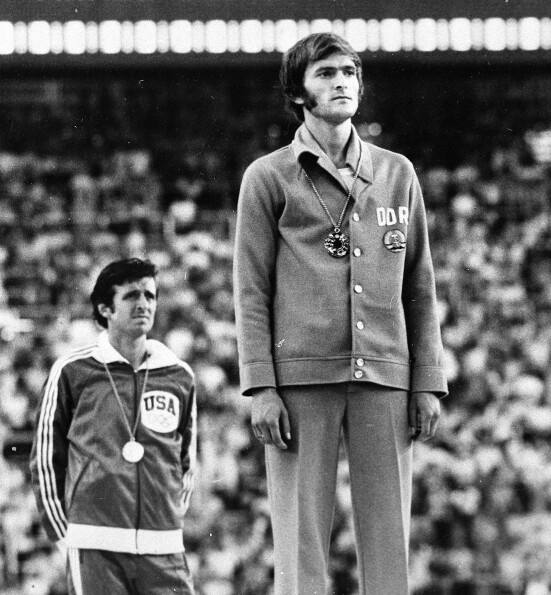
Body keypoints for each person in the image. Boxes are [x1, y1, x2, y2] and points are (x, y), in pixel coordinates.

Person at [233, 32, 447, 594]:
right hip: (300, 379)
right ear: (298, 92)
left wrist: (427, 380)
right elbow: (250, 289)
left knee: (389, 545)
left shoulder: (397, 173)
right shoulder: (268, 176)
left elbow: (420, 286)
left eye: (350, 72)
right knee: (301, 547)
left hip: (385, 375)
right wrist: (260, 387)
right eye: (326, 73)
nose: (342, 82)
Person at [29, 258, 198, 594]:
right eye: (132, 296)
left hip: (163, 546)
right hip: (95, 544)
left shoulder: (179, 375)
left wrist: (167, 520)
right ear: (105, 308)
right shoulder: (73, 371)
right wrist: (66, 532)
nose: (143, 304)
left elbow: (187, 461)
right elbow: (46, 458)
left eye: (150, 296)